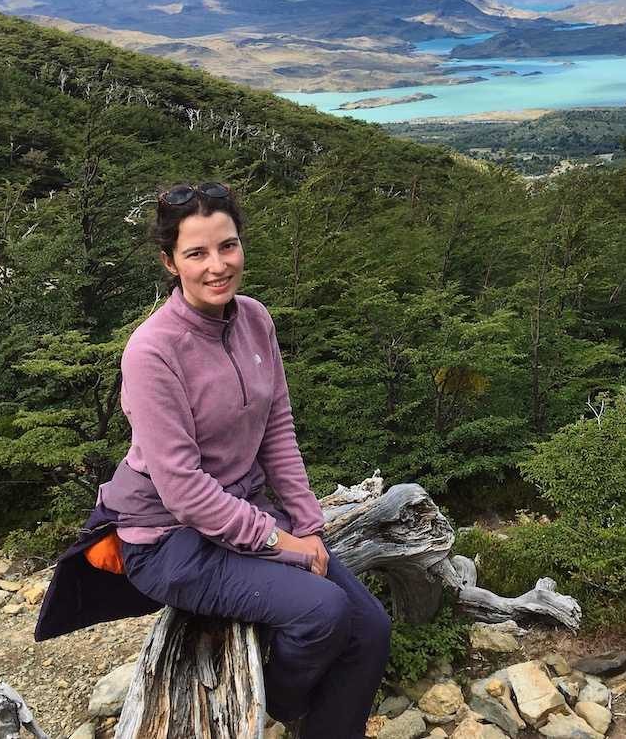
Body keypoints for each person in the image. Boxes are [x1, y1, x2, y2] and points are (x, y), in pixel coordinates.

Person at [34, 182, 390, 739]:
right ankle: (282, 703)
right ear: (170, 262)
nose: (217, 266)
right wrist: (282, 544)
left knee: (370, 627)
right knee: (322, 613)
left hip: (240, 508)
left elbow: (277, 429)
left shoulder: (254, 319)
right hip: (168, 540)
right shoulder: (153, 351)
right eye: (197, 253)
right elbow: (182, 488)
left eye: (228, 246)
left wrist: (309, 526)